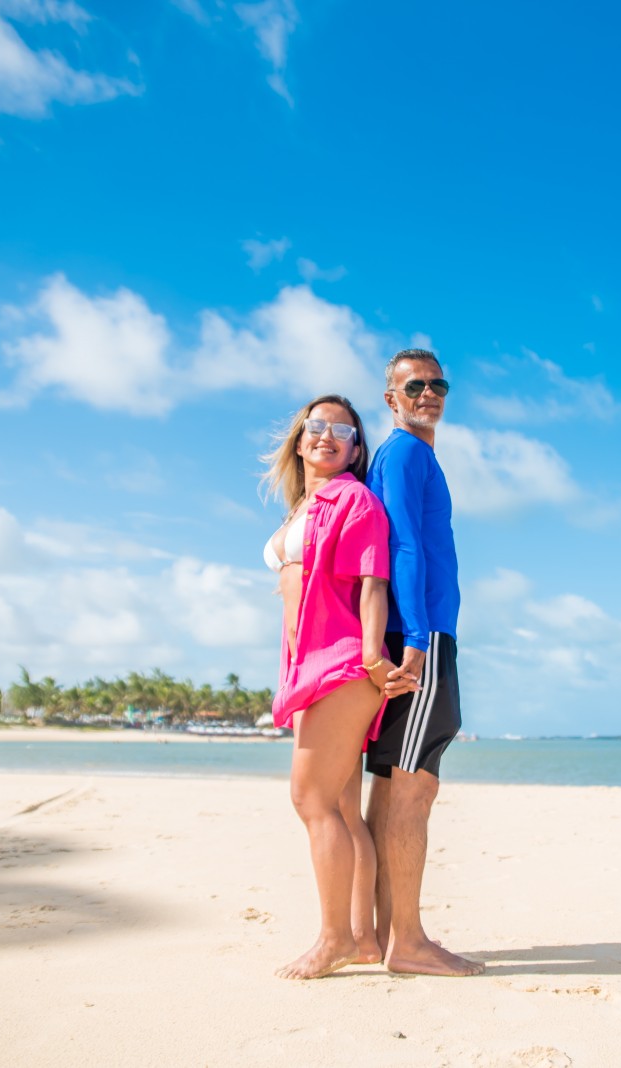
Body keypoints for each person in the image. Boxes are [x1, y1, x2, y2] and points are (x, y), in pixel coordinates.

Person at [261, 394, 417, 979]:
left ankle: (332, 940)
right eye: (317, 426)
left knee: (312, 800)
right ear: (300, 438)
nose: (327, 435)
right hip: (308, 668)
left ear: (355, 450)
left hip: (341, 664)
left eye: (343, 431)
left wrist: (375, 656)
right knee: (344, 810)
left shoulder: (352, 499)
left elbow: (373, 581)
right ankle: (363, 937)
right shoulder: (305, 507)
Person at [364, 349, 485, 977]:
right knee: (415, 785)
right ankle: (406, 943)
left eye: (439, 384)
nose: (429, 394)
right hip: (422, 636)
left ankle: (382, 935)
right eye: (415, 386)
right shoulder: (406, 453)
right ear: (392, 397)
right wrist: (415, 633)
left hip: (414, 631)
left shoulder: (408, 456)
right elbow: (403, 543)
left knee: (389, 786)